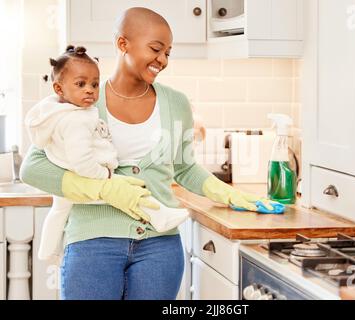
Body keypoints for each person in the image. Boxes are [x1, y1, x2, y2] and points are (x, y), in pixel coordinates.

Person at [21, 7, 272, 300]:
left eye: (167, 53)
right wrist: (102, 189)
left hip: (159, 248)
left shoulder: (176, 103)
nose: (162, 60)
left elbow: (185, 167)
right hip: (93, 243)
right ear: (122, 43)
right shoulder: (82, 96)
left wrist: (229, 194)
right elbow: (33, 167)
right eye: (155, 49)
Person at [25, 45, 189, 261]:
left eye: (94, 84)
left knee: (58, 212)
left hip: (73, 175)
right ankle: (162, 217)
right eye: (80, 84)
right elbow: (82, 160)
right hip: (90, 176)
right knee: (137, 195)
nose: (90, 90)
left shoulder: (59, 113)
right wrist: (107, 179)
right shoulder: (76, 119)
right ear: (59, 89)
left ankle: (47, 252)